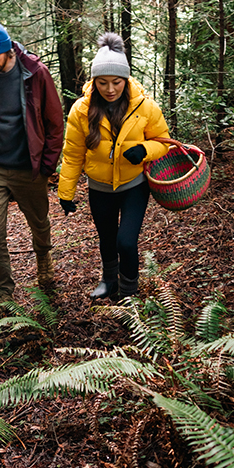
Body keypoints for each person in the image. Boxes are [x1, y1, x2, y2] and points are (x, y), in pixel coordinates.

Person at [57, 33, 170, 301]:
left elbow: (163, 143)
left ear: (126, 80)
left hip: (134, 186)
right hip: (99, 187)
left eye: (116, 82)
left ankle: (129, 294)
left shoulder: (145, 106)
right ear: (94, 82)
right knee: (107, 238)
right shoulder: (81, 111)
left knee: (126, 242)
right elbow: (73, 154)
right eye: (103, 82)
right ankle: (109, 282)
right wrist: (65, 192)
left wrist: (144, 150)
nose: (110, 89)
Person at [0, 17, 64, 320]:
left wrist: (47, 165)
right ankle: (3, 295)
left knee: (39, 221)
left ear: (7, 49)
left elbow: (55, 123)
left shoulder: (35, 74)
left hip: (28, 166)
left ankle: (44, 259)